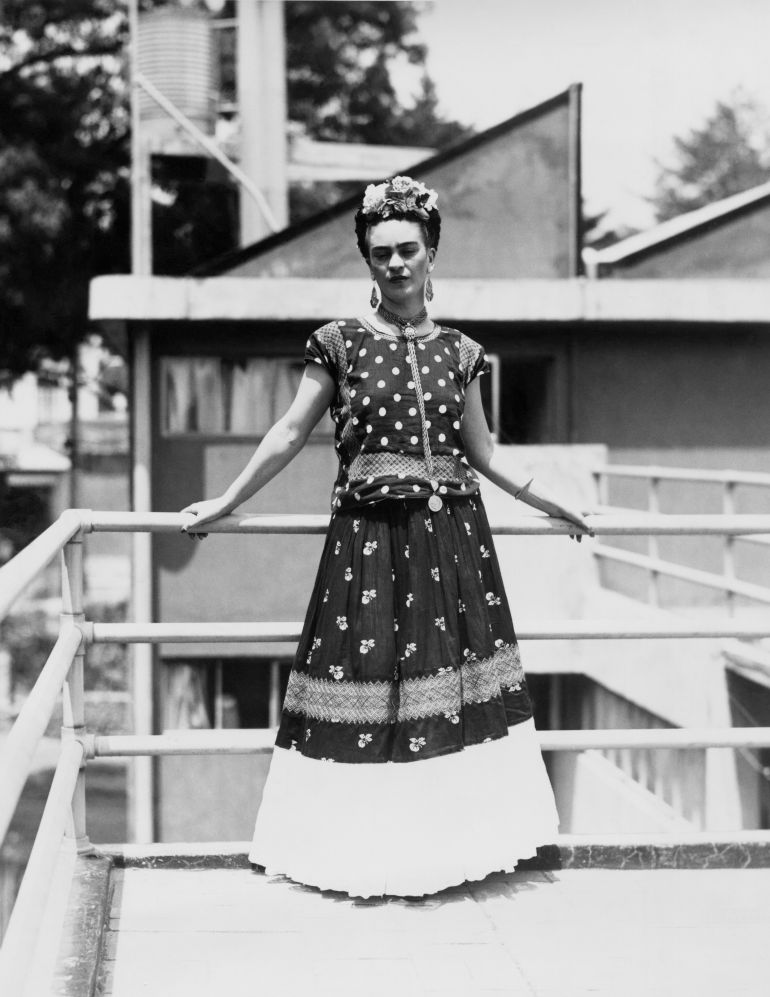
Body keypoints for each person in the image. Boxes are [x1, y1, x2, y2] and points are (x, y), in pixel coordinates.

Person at [180, 176, 592, 898]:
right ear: (367, 264)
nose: (396, 263)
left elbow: (487, 455)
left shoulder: (463, 352)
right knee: (368, 697)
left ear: (431, 252)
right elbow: (286, 432)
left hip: (455, 545)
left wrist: (556, 504)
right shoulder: (338, 344)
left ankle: (441, 857)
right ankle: (366, 859)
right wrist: (225, 500)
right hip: (368, 546)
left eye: (408, 249)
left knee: (447, 699)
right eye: (381, 254)